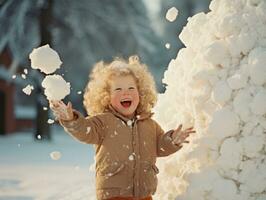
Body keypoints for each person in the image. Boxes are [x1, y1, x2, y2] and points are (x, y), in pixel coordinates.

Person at [49, 55, 195, 200]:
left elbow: (159, 146)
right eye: (118, 89)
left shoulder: (150, 125)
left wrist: (172, 140)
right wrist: (70, 119)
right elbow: (85, 130)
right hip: (113, 194)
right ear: (106, 96)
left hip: (144, 194)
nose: (126, 92)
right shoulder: (103, 122)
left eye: (131, 88)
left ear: (141, 93)